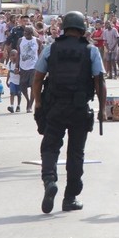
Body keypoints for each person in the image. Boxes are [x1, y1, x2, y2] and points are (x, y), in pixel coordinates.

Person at [31, 11, 105, 214]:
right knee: (75, 152)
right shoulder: (91, 51)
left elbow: (37, 78)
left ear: (64, 28)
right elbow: (99, 81)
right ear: (82, 29)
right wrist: (103, 109)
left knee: (50, 147)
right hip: (79, 109)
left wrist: (38, 103)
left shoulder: (51, 48)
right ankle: (70, 197)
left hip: (55, 107)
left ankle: (49, 181)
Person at [18, 26, 43, 113]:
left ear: (31, 33)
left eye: (28, 33)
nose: (26, 34)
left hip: (33, 67)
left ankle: (30, 105)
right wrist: (17, 66)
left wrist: (41, 67)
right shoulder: (20, 40)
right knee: (22, 86)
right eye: (25, 32)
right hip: (23, 66)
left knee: (33, 86)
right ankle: (27, 100)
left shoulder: (37, 41)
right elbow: (19, 54)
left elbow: (40, 55)